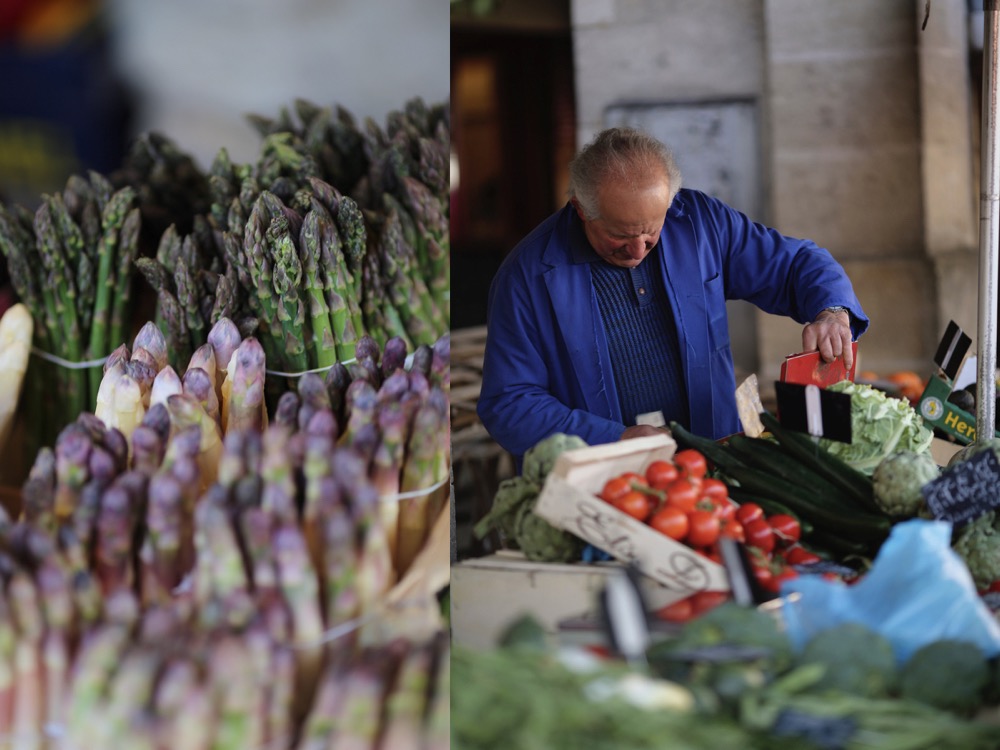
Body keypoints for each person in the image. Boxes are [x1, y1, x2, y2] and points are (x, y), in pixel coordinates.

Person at [477, 126, 869, 464]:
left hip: (717, 457)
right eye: (620, 236)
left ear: (669, 203)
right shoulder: (526, 276)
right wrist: (612, 438)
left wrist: (832, 311)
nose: (637, 251)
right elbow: (510, 403)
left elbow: (794, 262)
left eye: (651, 232)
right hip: (602, 479)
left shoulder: (700, 223)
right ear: (581, 208)